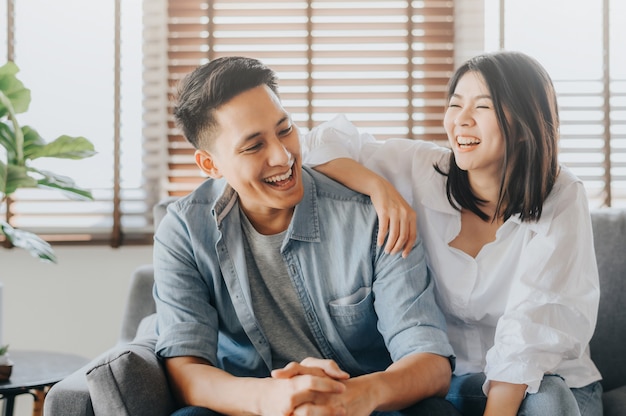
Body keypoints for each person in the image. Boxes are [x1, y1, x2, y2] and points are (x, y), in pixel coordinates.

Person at [152, 55, 461, 416]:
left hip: (366, 404)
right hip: (253, 406)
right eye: (254, 146)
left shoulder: (371, 217)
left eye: (285, 130)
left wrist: (352, 399)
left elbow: (430, 362)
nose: (283, 157)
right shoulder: (184, 229)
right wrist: (272, 398)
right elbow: (185, 371)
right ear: (210, 164)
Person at [302, 51, 603, 415]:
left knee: (549, 401)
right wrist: (379, 189)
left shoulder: (562, 194)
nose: (461, 120)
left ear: (524, 125)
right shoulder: (421, 168)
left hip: (542, 382)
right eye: (455, 104)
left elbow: (531, 329)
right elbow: (318, 143)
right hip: (457, 382)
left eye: (482, 107)